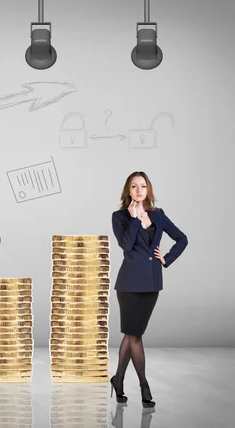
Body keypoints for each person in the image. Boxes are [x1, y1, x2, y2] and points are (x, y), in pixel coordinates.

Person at [110, 171, 188, 408]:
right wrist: (134, 219)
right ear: (128, 191)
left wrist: (167, 259)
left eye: (143, 186)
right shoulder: (120, 216)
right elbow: (125, 245)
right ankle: (144, 385)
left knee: (131, 334)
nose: (139, 190)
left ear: (148, 189)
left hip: (151, 283)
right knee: (135, 335)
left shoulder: (158, 215)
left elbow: (182, 238)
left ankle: (118, 380)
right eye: (134, 186)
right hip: (129, 283)